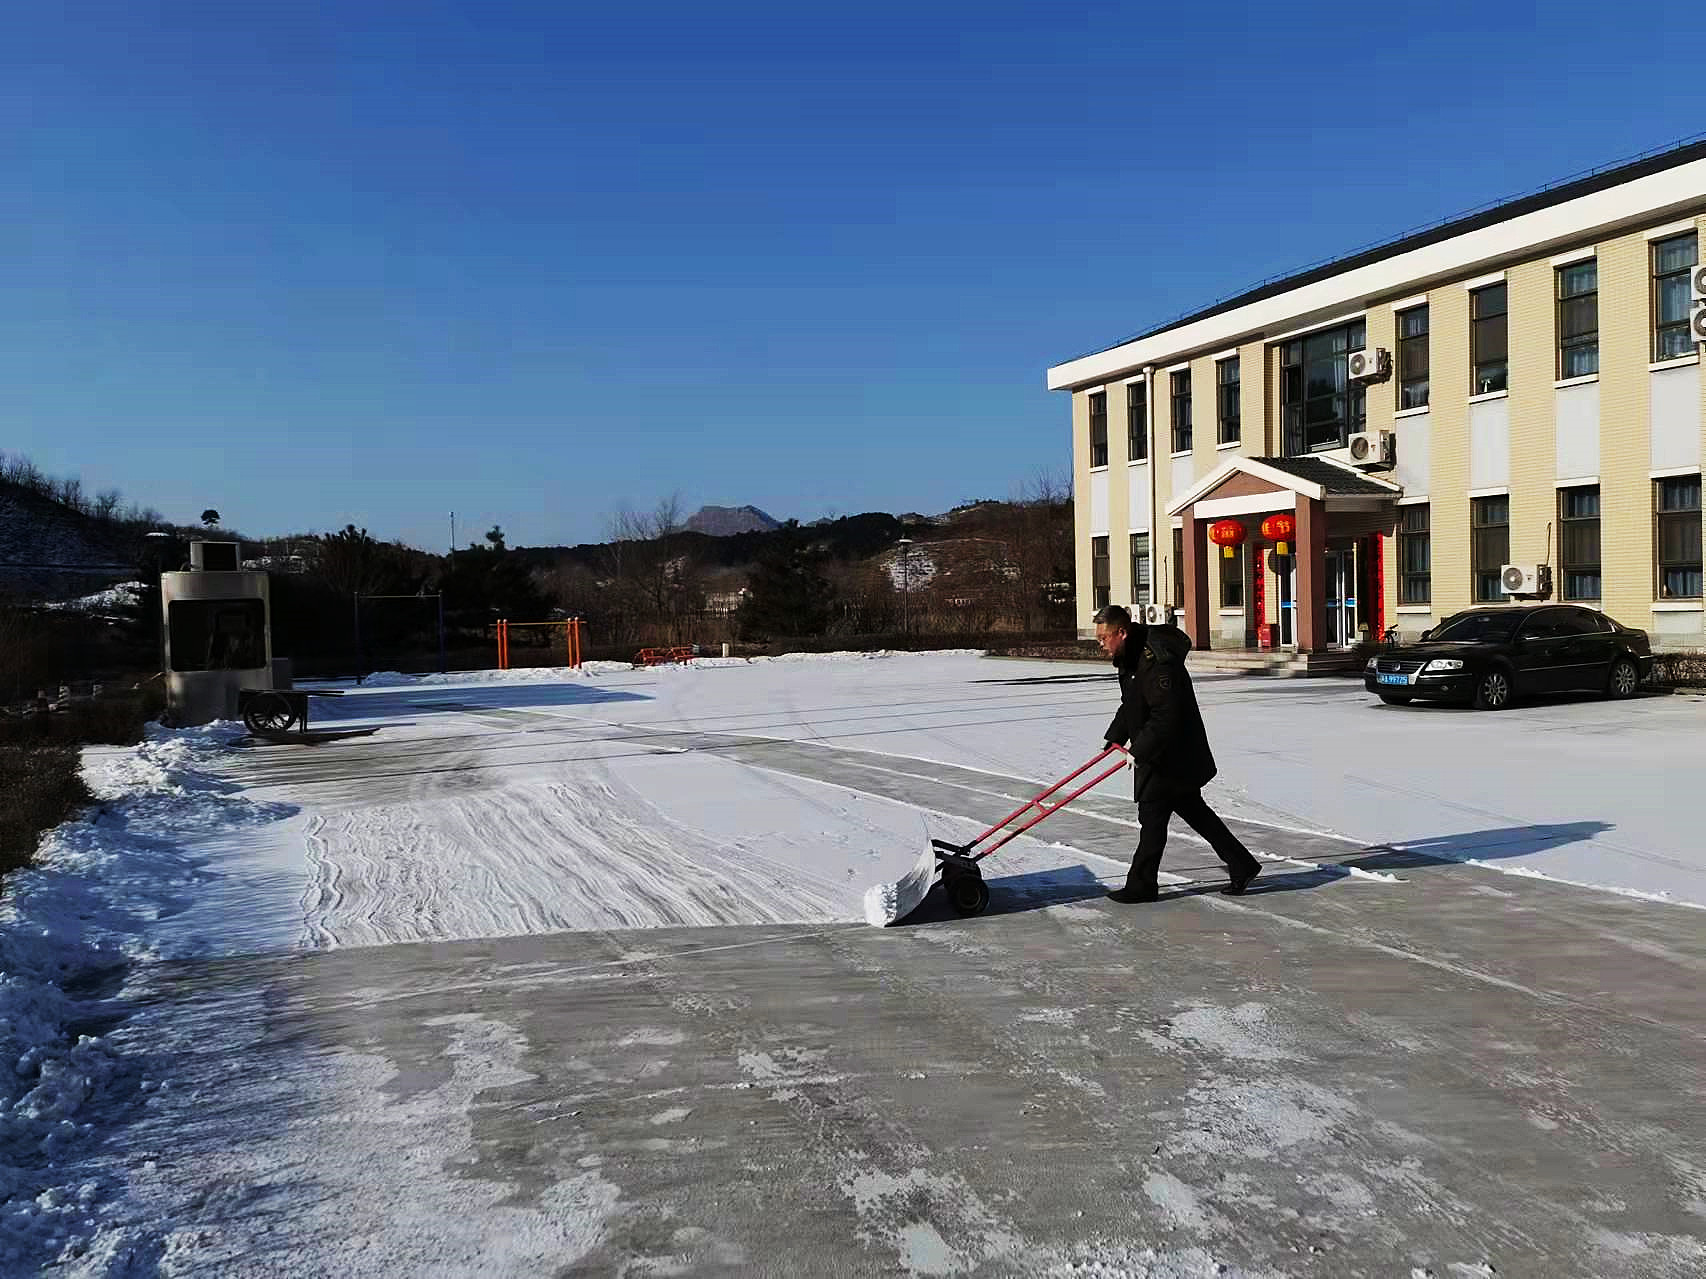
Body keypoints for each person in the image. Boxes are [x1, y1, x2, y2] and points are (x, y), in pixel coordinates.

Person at [1093, 604, 1262, 903]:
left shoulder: (1158, 662)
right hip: (1159, 752)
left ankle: (1142, 885)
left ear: (1122, 632)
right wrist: (1114, 737)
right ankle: (1242, 864)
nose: (1101, 645)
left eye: (1104, 638)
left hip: (1172, 753)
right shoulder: (1130, 658)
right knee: (1194, 812)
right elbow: (1131, 703)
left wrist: (1139, 750)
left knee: (1152, 817)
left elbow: (1166, 716)